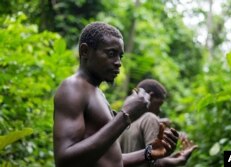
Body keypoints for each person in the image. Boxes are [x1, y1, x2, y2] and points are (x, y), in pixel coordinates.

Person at [53, 22, 179, 167]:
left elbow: (111, 160)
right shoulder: (73, 87)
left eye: (120, 56)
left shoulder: (97, 94)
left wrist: (149, 152)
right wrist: (125, 116)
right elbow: (64, 160)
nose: (118, 63)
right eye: (111, 54)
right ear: (85, 51)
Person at [119, 79, 197, 167]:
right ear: (150, 96)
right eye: (159, 104)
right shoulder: (150, 118)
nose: (159, 110)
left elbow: (141, 157)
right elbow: (154, 162)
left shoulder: (122, 121)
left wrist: (171, 158)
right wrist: (179, 161)